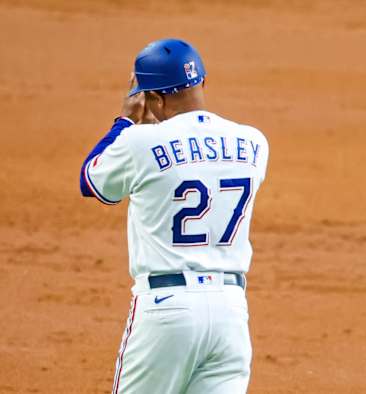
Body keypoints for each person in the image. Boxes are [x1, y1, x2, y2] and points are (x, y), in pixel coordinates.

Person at [79, 38, 269, 394]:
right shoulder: (255, 142)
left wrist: (125, 122)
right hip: (230, 314)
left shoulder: (139, 142)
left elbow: (91, 179)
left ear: (152, 98)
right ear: (203, 83)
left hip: (165, 311)